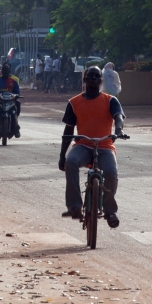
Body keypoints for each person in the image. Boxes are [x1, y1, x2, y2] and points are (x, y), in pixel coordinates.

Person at [58, 66, 125, 227]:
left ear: (101, 81)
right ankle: (74, 206)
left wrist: (119, 129)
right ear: (84, 79)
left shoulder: (110, 100)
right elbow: (68, 130)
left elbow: (118, 116)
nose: (93, 79)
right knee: (71, 162)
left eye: (97, 76)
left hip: (105, 146)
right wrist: (62, 156)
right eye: (90, 76)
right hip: (83, 146)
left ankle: (110, 211)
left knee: (110, 172)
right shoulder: (74, 103)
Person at [0, 61, 22, 137]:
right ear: (1, 71)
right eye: (4, 70)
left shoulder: (13, 81)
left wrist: (16, 95)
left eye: (7, 71)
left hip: (10, 101)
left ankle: (16, 128)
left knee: (16, 106)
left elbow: (17, 92)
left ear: (9, 72)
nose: (5, 72)